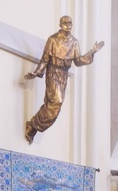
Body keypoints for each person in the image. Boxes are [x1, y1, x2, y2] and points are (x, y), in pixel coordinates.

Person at [24, 16, 104, 144]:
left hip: (63, 75)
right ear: (60, 24)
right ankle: (33, 124)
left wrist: (92, 52)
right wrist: (36, 72)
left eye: (69, 22)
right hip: (53, 72)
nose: (67, 25)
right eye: (65, 23)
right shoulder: (53, 39)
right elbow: (45, 59)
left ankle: (34, 125)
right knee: (56, 102)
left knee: (54, 105)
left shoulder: (74, 42)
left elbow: (78, 61)